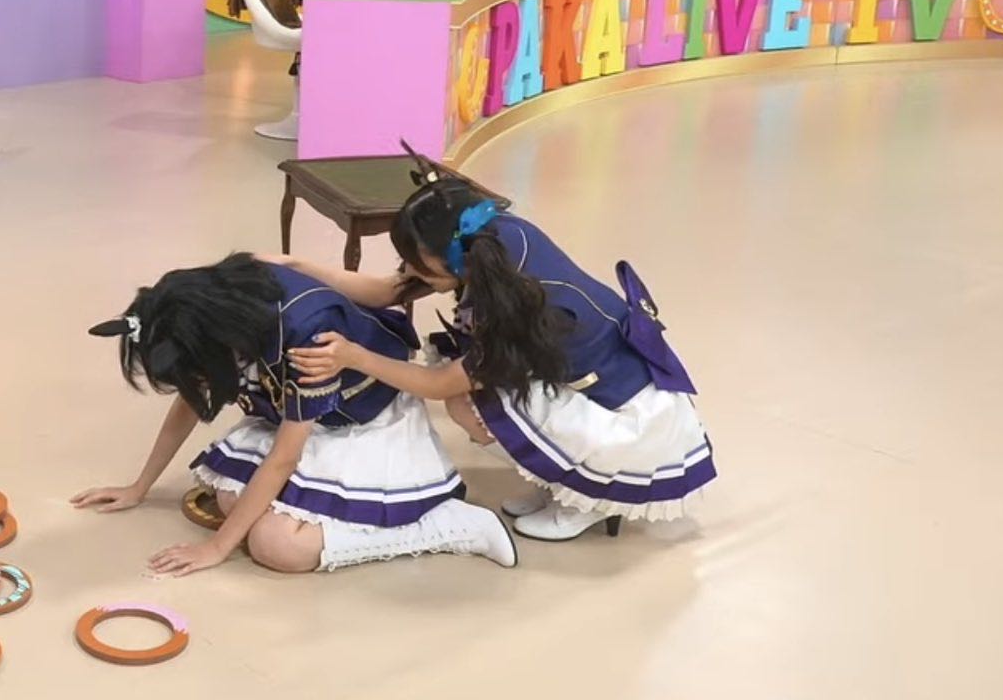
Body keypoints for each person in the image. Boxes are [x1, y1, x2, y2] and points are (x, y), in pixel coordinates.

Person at [284, 170, 715, 542]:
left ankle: (588, 499)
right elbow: (385, 291)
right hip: (594, 382)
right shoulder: (493, 240)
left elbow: (440, 385)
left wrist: (355, 357)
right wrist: (299, 267)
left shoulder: (517, 301)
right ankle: (561, 482)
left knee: (471, 404)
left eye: (418, 263)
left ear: (451, 258)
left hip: (630, 418)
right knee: (474, 396)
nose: (410, 271)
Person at [72, 253, 516, 576]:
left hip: (366, 422)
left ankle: (447, 525)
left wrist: (216, 549)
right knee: (232, 502)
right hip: (306, 417)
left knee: (276, 546)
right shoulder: (204, 306)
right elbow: (191, 395)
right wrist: (139, 487)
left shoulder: (309, 337)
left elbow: (285, 457)